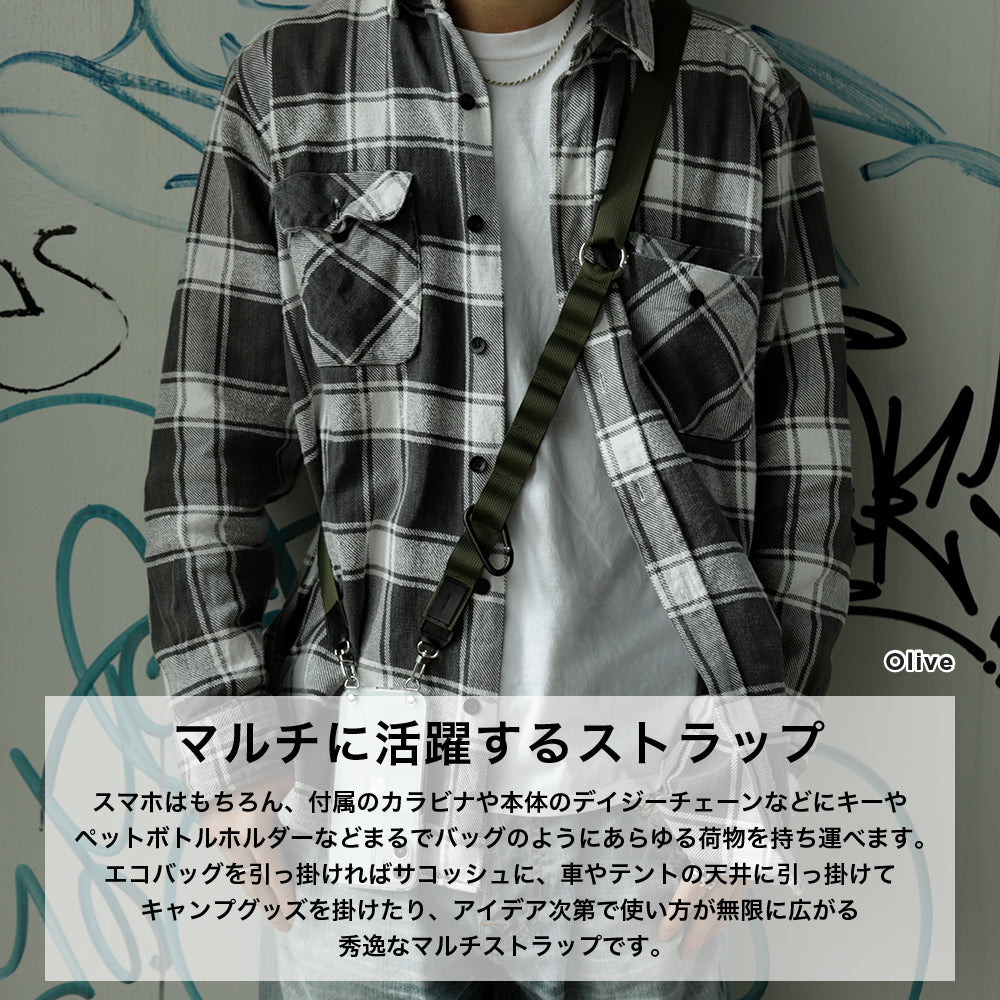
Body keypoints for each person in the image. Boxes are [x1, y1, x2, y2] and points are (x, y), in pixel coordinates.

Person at [144, 0, 854, 996]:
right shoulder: (290, 89)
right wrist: (235, 767)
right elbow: (208, 445)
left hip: (659, 806)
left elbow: (807, 464)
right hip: (378, 805)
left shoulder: (737, 92)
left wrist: (759, 792)